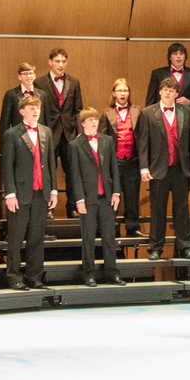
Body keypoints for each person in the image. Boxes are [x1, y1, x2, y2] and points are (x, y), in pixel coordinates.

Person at [1, 95, 57, 290]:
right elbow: (7, 166)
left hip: (41, 192)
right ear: (22, 111)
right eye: (31, 107)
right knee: (16, 237)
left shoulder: (46, 132)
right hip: (20, 193)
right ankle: (14, 276)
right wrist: (9, 194)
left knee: (36, 237)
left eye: (37, 108)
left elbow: (50, 162)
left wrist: (54, 190)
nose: (35, 111)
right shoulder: (12, 134)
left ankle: (34, 276)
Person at [137, 77, 190, 261]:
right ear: (160, 92)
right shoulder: (147, 113)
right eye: (165, 89)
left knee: (182, 209)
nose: (169, 93)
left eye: (172, 90)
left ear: (177, 94)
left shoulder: (186, 111)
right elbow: (143, 143)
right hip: (157, 169)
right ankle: (155, 247)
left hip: (181, 168)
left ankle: (185, 247)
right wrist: (143, 167)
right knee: (158, 210)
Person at [68, 108, 125, 287]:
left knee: (110, 237)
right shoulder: (75, 145)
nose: (94, 123)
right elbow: (74, 175)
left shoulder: (107, 141)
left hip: (106, 197)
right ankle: (89, 274)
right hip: (87, 198)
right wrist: (78, 200)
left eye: (96, 119)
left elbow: (114, 169)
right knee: (88, 238)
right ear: (83, 123)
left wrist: (116, 192)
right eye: (90, 120)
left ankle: (112, 273)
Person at [35, 48, 83, 217]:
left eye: (63, 61)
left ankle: (73, 207)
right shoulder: (39, 83)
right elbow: (37, 111)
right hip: (48, 133)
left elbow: (78, 110)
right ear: (50, 62)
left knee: (73, 171)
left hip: (69, 134)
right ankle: (48, 208)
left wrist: (80, 133)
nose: (60, 64)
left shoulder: (74, 82)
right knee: (48, 171)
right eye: (57, 61)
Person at [99, 79, 143, 237]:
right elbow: (102, 139)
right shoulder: (106, 113)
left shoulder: (137, 111)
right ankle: (111, 226)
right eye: (119, 90)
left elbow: (142, 137)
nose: (123, 93)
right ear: (113, 93)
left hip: (132, 160)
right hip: (114, 162)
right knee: (112, 195)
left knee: (132, 195)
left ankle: (132, 227)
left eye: (125, 90)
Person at [145, 42, 190, 114]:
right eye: (175, 54)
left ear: (185, 57)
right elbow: (150, 100)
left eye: (181, 54)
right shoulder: (157, 74)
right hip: (161, 116)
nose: (178, 56)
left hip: (185, 117)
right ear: (169, 57)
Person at [0, 62, 48, 139]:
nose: (28, 76)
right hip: (18, 138)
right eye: (25, 74)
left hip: (38, 137)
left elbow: (46, 120)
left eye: (30, 73)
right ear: (19, 77)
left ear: (34, 76)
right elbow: (5, 123)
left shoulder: (42, 95)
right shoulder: (11, 95)